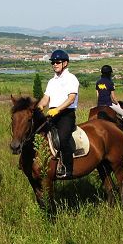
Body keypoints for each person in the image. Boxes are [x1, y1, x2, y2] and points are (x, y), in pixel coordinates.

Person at [37, 49, 79, 179]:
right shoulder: (51, 81)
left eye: (57, 62)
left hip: (66, 114)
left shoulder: (71, 78)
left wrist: (58, 109)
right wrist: (39, 106)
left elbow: (71, 98)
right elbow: (46, 98)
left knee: (62, 138)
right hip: (52, 114)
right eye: (53, 62)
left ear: (65, 63)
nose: (55, 64)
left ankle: (68, 168)